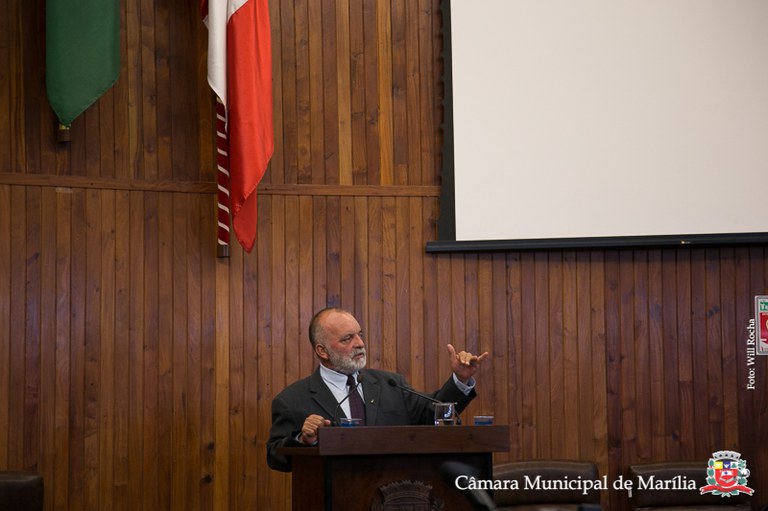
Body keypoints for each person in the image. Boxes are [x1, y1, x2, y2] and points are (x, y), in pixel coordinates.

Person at [266, 307, 489, 472]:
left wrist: (460, 379)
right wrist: (303, 440)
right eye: (347, 338)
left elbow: (434, 413)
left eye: (359, 334)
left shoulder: (390, 384)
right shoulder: (292, 400)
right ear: (322, 351)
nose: (360, 343)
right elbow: (275, 457)